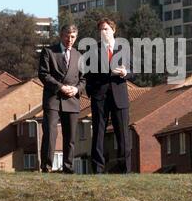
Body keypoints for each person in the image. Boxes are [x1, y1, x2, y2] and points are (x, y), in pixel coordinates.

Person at [85, 18, 134, 174]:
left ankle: (125, 170)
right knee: (99, 133)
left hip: (120, 96)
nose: (103, 32)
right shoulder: (93, 50)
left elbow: (134, 71)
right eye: (100, 30)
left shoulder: (124, 49)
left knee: (123, 134)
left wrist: (126, 73)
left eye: (105, 29)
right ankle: (98, 169)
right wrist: (92, 92)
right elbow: (87, 74)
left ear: (113, 30)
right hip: (100, 97)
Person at [38, 24, 86, 174]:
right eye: (67, 36)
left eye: (72, 37)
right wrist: (60, 87)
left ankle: (68, 167)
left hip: (72, 100)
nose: (69, 39)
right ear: (61, 35)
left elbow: (84, 79)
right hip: (53, 98)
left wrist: (77, 89)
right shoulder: (49, 52)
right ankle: (47, 167)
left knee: (70, 136)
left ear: (76, 38)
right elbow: (44, 74)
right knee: (50, 133)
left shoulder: (79, 56)